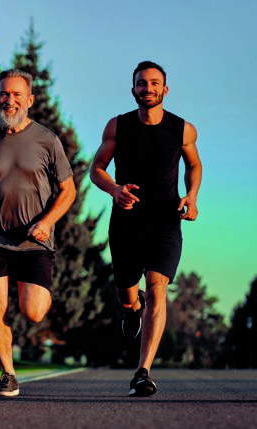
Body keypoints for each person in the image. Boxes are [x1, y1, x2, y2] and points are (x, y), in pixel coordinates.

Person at [0, 69, 76, 397]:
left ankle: (36, 302)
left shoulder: (47, 140)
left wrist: (48, 222)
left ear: (29, 100)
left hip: (34, 240)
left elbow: (68, 191)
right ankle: (7, 374)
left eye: (17, 94)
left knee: (33, 312)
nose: (10, 100)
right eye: (4, 94)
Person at [90, 61, 202, 396]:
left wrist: (192, 196)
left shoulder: (183, 129)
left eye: (154, 83)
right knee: (127, 292)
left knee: (157, 287)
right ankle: (131, 307)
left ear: (165, 90)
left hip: (165, 221)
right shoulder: (118, 126)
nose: (148, 88)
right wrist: (114, 190)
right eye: (141, 83)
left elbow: (194, 163)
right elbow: (97, 167)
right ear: (133, 90)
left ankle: (143, 371)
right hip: (125, 221)